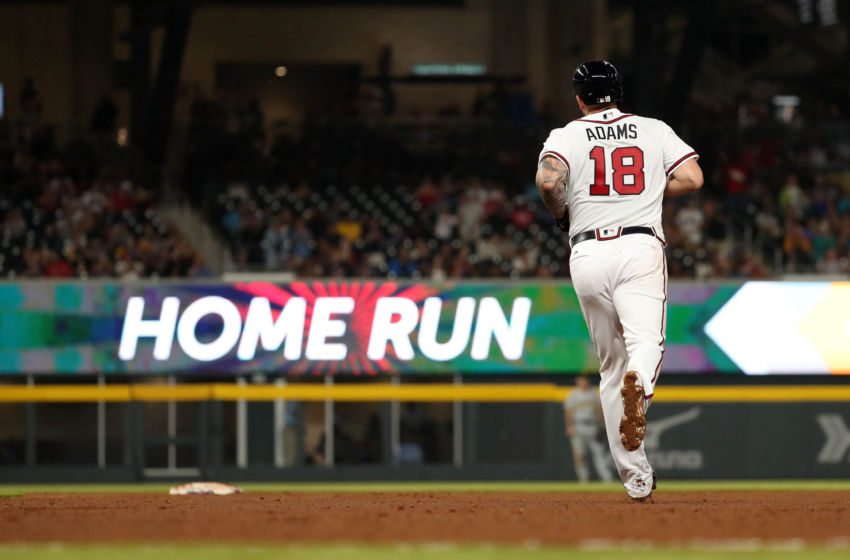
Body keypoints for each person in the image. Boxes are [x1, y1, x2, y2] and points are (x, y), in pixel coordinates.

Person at [535, 60, 703, 501]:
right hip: (638, 247)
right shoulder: (653, 128)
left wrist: (560, 213)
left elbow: (548, 184)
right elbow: (692, 177)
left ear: (579, 98)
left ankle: (636, 478)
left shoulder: (566, 135)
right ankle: (641, 387)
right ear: (619, 92)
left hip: (586, 251)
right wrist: (650, 186)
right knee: (646, 343)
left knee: (610, 366)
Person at [564, 375, 614, 483]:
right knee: (580, 455)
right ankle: (583, 479)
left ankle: (606, 478)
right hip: (578, 426)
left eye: (585, 379)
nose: (583, 381)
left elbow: (599, 410)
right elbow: (568, 412)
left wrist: (601, 425)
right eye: (581, 379)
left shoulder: (593, 394)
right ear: (577, 380)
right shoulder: (572, 394)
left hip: (593, 426)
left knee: (599, 454)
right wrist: (569, 426)